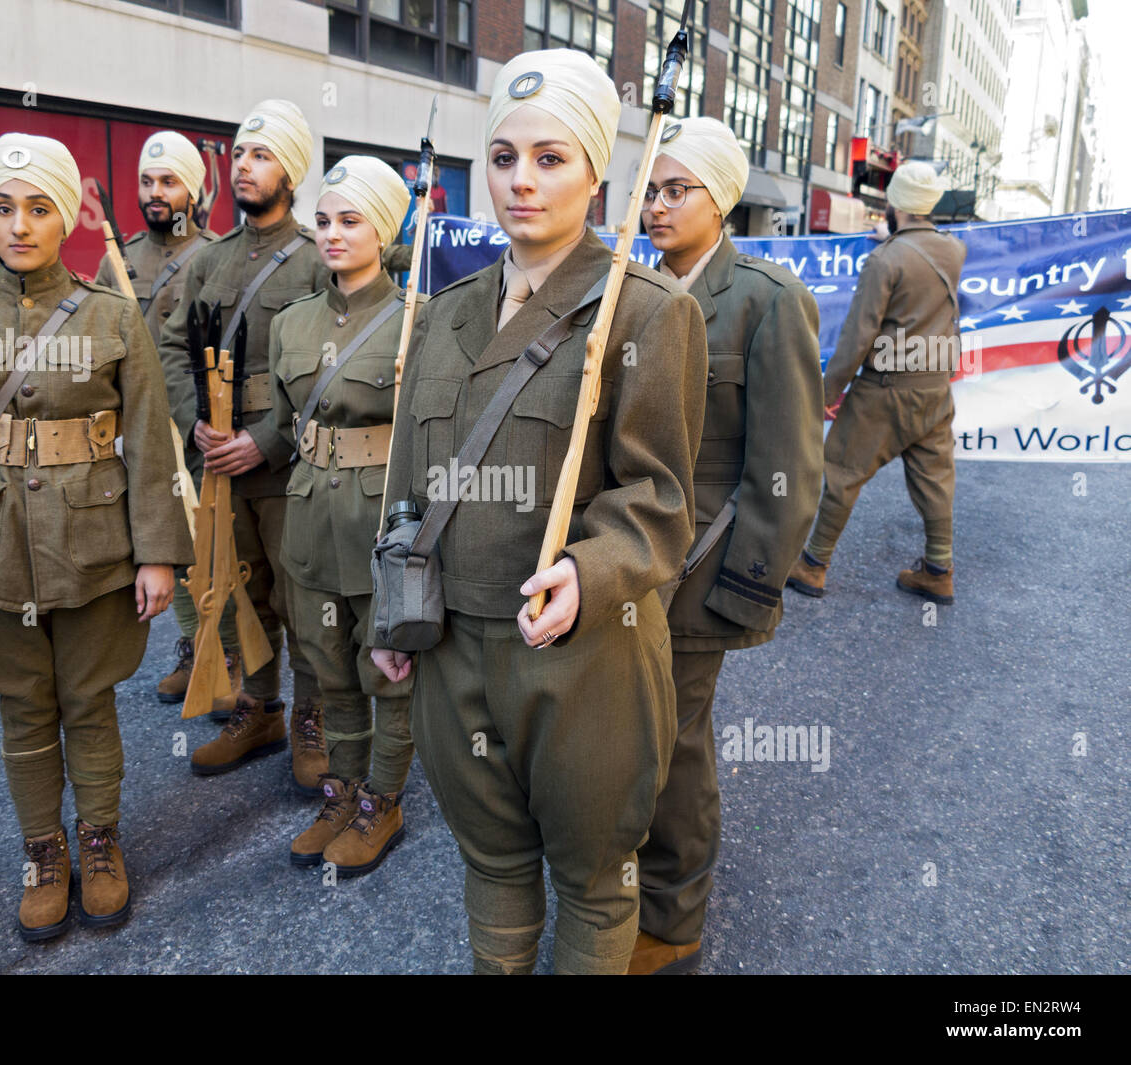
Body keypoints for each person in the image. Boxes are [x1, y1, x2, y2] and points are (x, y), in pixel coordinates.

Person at [371, 48, 706, 974]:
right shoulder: (442, 310)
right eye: (506, 155)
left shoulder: (647, 312)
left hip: (579, 653)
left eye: (551, 158)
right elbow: (407, 480)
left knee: (595, 878)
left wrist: (588, 570)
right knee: (492, 859)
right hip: (450, 645)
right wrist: (384, 612)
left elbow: (662, 498)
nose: (522, 180)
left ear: (598, 173)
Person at [0, 133, 192, 941]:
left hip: (94, 543)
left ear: (67, 219)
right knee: (23, 708)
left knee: (90, 700)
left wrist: (158, 551)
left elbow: (152, 444)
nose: (19, 223)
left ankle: (100, 840)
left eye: (40, 207)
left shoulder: (113, 316)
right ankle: (42, 850)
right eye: (3, 206)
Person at [634, 117, 824, 973]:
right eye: (647, 189)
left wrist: (746, 591)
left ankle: (673, 922)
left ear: (722, 197)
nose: (655, 206)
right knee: (627, 730)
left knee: (676, 743)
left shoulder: (767, 300)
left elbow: (789, 467)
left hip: (703, 570)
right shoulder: (629, 288)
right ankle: (624, 879)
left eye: (676, 190)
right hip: (622, 562)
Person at [157, 100, 329, 788]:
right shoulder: (208, 262)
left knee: (299, 592)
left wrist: (267, 441)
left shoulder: (317, 262)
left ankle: (312, 718)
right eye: (239, 154)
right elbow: (170, 346)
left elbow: (330, 371)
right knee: (238, 592)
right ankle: (258, 706)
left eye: (261, 155)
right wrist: (191, 418)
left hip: (284, 464)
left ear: (291, 170)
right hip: (216, 458)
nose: (245, 166)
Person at [270, 155, 421, 875]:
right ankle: (343, 789)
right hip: (308, 519)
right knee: (328, 667)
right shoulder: (292, 323)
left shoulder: (416, 319)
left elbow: (429, 436)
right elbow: (281, 422)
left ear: (383, 228)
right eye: (323, 220)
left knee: (385, 668)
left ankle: (381, 801)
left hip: (379, 521)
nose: (331, 234)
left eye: (350, 220)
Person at [787, 161, 966, 604]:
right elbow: (919, 263)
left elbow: (857, 336)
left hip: (885, 389)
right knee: (937, 478)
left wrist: (829, 392)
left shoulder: (883, 261)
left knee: (844, 472)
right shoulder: (953, 251)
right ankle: (939, 569)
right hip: (934, 386)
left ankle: (813, 565)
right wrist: (893, 247)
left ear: (894, 204)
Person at [93, 130, 229, 711]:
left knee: (215, 544)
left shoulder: (214, 256)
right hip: (143, 432)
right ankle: (191, 646)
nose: (155, 193)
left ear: (193, 192)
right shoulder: (115, 260)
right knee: (166, 541)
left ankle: (229, 654)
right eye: (147, 181)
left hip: (197, 426)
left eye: (169, 181)